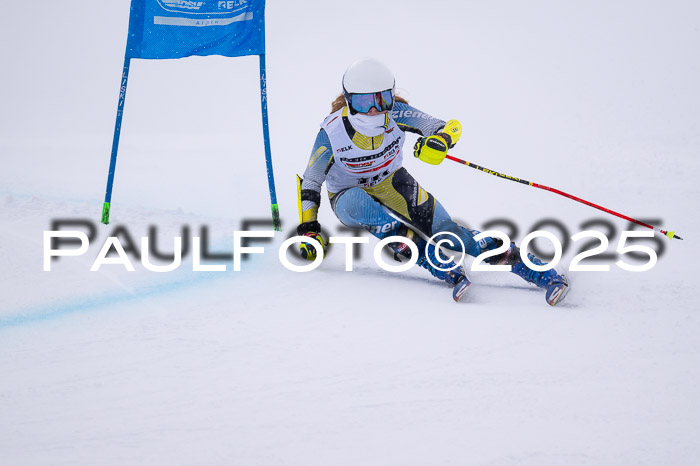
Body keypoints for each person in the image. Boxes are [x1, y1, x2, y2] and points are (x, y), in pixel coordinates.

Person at [295, 58, 570, 305]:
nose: (374, 110)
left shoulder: (398, 113)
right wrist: (309, 227)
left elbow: (447, 126)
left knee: (450, 234)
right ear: (349, 100)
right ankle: (435, 262)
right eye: (365, 102)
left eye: (382, 100)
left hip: (391, 182)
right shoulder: (332, 132)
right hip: (346, 195)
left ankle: (538, 270)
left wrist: (439, 140)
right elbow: (312, 179)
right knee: (367, 210)